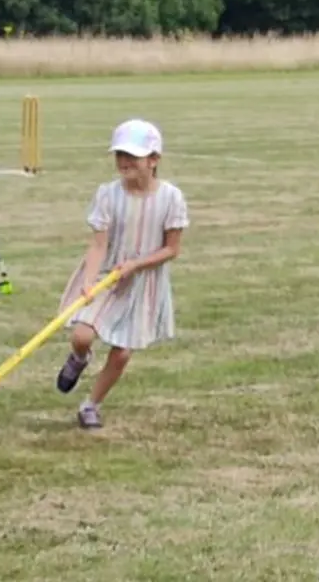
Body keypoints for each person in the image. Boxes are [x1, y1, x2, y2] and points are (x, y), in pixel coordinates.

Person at [53, 118, 189, 429]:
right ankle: (79, 358)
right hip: (107, 275)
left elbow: (172, 250)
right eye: (120, 155)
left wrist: (136, 265)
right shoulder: (107, 194)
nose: (124, 162)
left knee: (123, 353)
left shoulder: (171, 198)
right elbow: (98, 244)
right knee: (82, 334)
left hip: (142, 282)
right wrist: (89, 280)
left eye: (133, 156)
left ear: (153, 160)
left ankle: (91, 405)